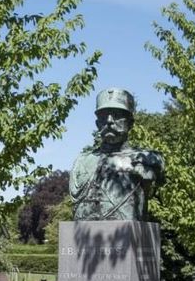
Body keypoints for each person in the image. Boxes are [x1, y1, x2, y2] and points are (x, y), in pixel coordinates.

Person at [70, 87, 165, 221]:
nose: (109, 121)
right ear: (97, 124)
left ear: (130, 123)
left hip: (127, 236)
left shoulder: (148, 159)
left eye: (117, 115)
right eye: (103, 116)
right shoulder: (81, 162)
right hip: (84, 235)